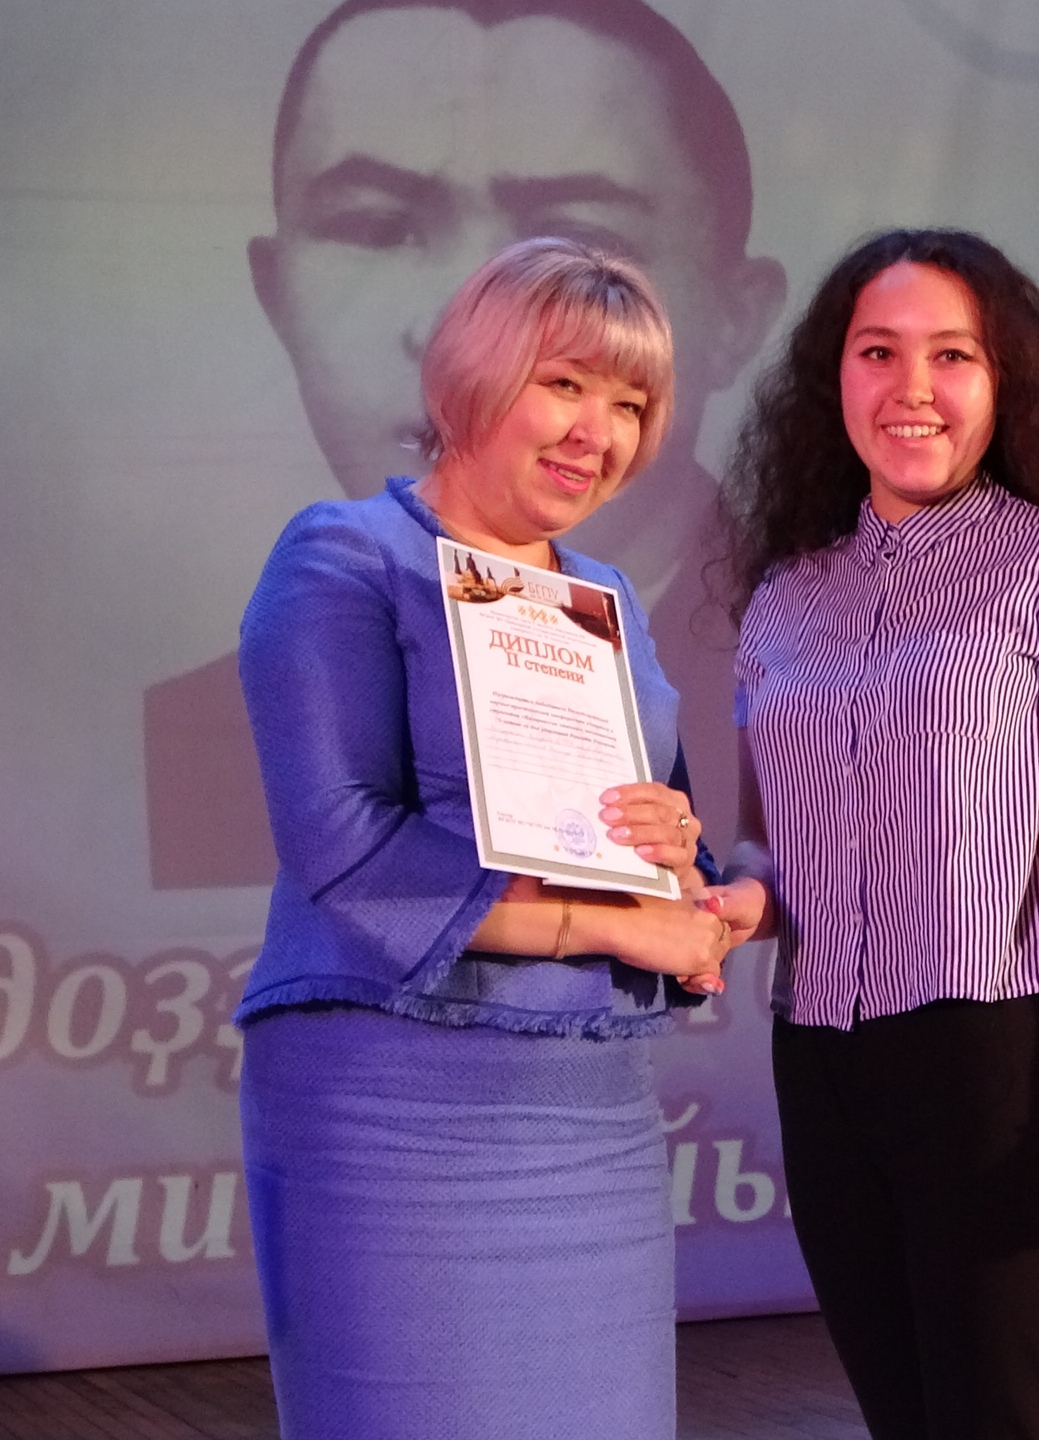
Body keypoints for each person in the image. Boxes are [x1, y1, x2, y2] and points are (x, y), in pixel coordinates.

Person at [234, 237, 754, 1439]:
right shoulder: (346, 554)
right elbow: (346, 854)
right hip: (394, 1099)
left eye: (630, 404)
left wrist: (676, 852)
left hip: (590, 1104)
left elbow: (652, 855)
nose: (596, 432)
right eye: (564, 384)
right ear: (473, 375)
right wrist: (608, 926)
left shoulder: (603, 600)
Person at [145, 0, 784, 888]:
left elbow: (680, 883)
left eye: (578, 242)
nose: (468, 330)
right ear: (275, 292)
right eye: (379, 228)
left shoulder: (796, 664)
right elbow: (356, 884)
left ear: (734, 317)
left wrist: (683, 869)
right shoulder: (198, 728)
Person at [713, 228, 1039, 1439]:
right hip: (822, 1062)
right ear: (835, 378)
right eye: (877, 352)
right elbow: (771, 854)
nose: (911, 387)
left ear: (1004, 379)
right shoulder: (784, 601)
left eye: (952, 355)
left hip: (999, 1064)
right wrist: (724, 901)